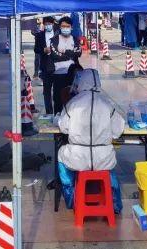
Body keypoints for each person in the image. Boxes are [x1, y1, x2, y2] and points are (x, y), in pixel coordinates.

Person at [56, 69, 125, 214]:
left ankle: (71, 199)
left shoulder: (73, 103)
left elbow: (63, 128)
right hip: (103, 158)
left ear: (80, 82)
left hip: (78, 158)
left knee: (61, 154)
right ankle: (115, 204)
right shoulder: (107, 103)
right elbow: (118, 130)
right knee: (109, 170)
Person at [43, 17, 81, 114]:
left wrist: (64, 52)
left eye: (67, 26)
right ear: (60, 27)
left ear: (71, 27)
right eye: (63, 26)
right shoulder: (54, 40)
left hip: (73, 74)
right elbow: (54, 55)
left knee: (73, 98)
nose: (65, 28)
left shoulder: (75, 39)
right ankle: (58, 116)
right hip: (58, 74)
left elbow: (78, 53)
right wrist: (70, 54)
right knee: (58, 99)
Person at [34, 17, 57, 114]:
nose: (48, 26)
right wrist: (43, 50)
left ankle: (58, 111)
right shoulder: (40, 35)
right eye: (46, 24)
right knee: (46, 91)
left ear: (53, 24)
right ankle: (49, 111)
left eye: (49, 24)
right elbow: (36, 49)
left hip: (57, 66)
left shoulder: (58, 34)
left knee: (57, 90)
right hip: (45, 66)